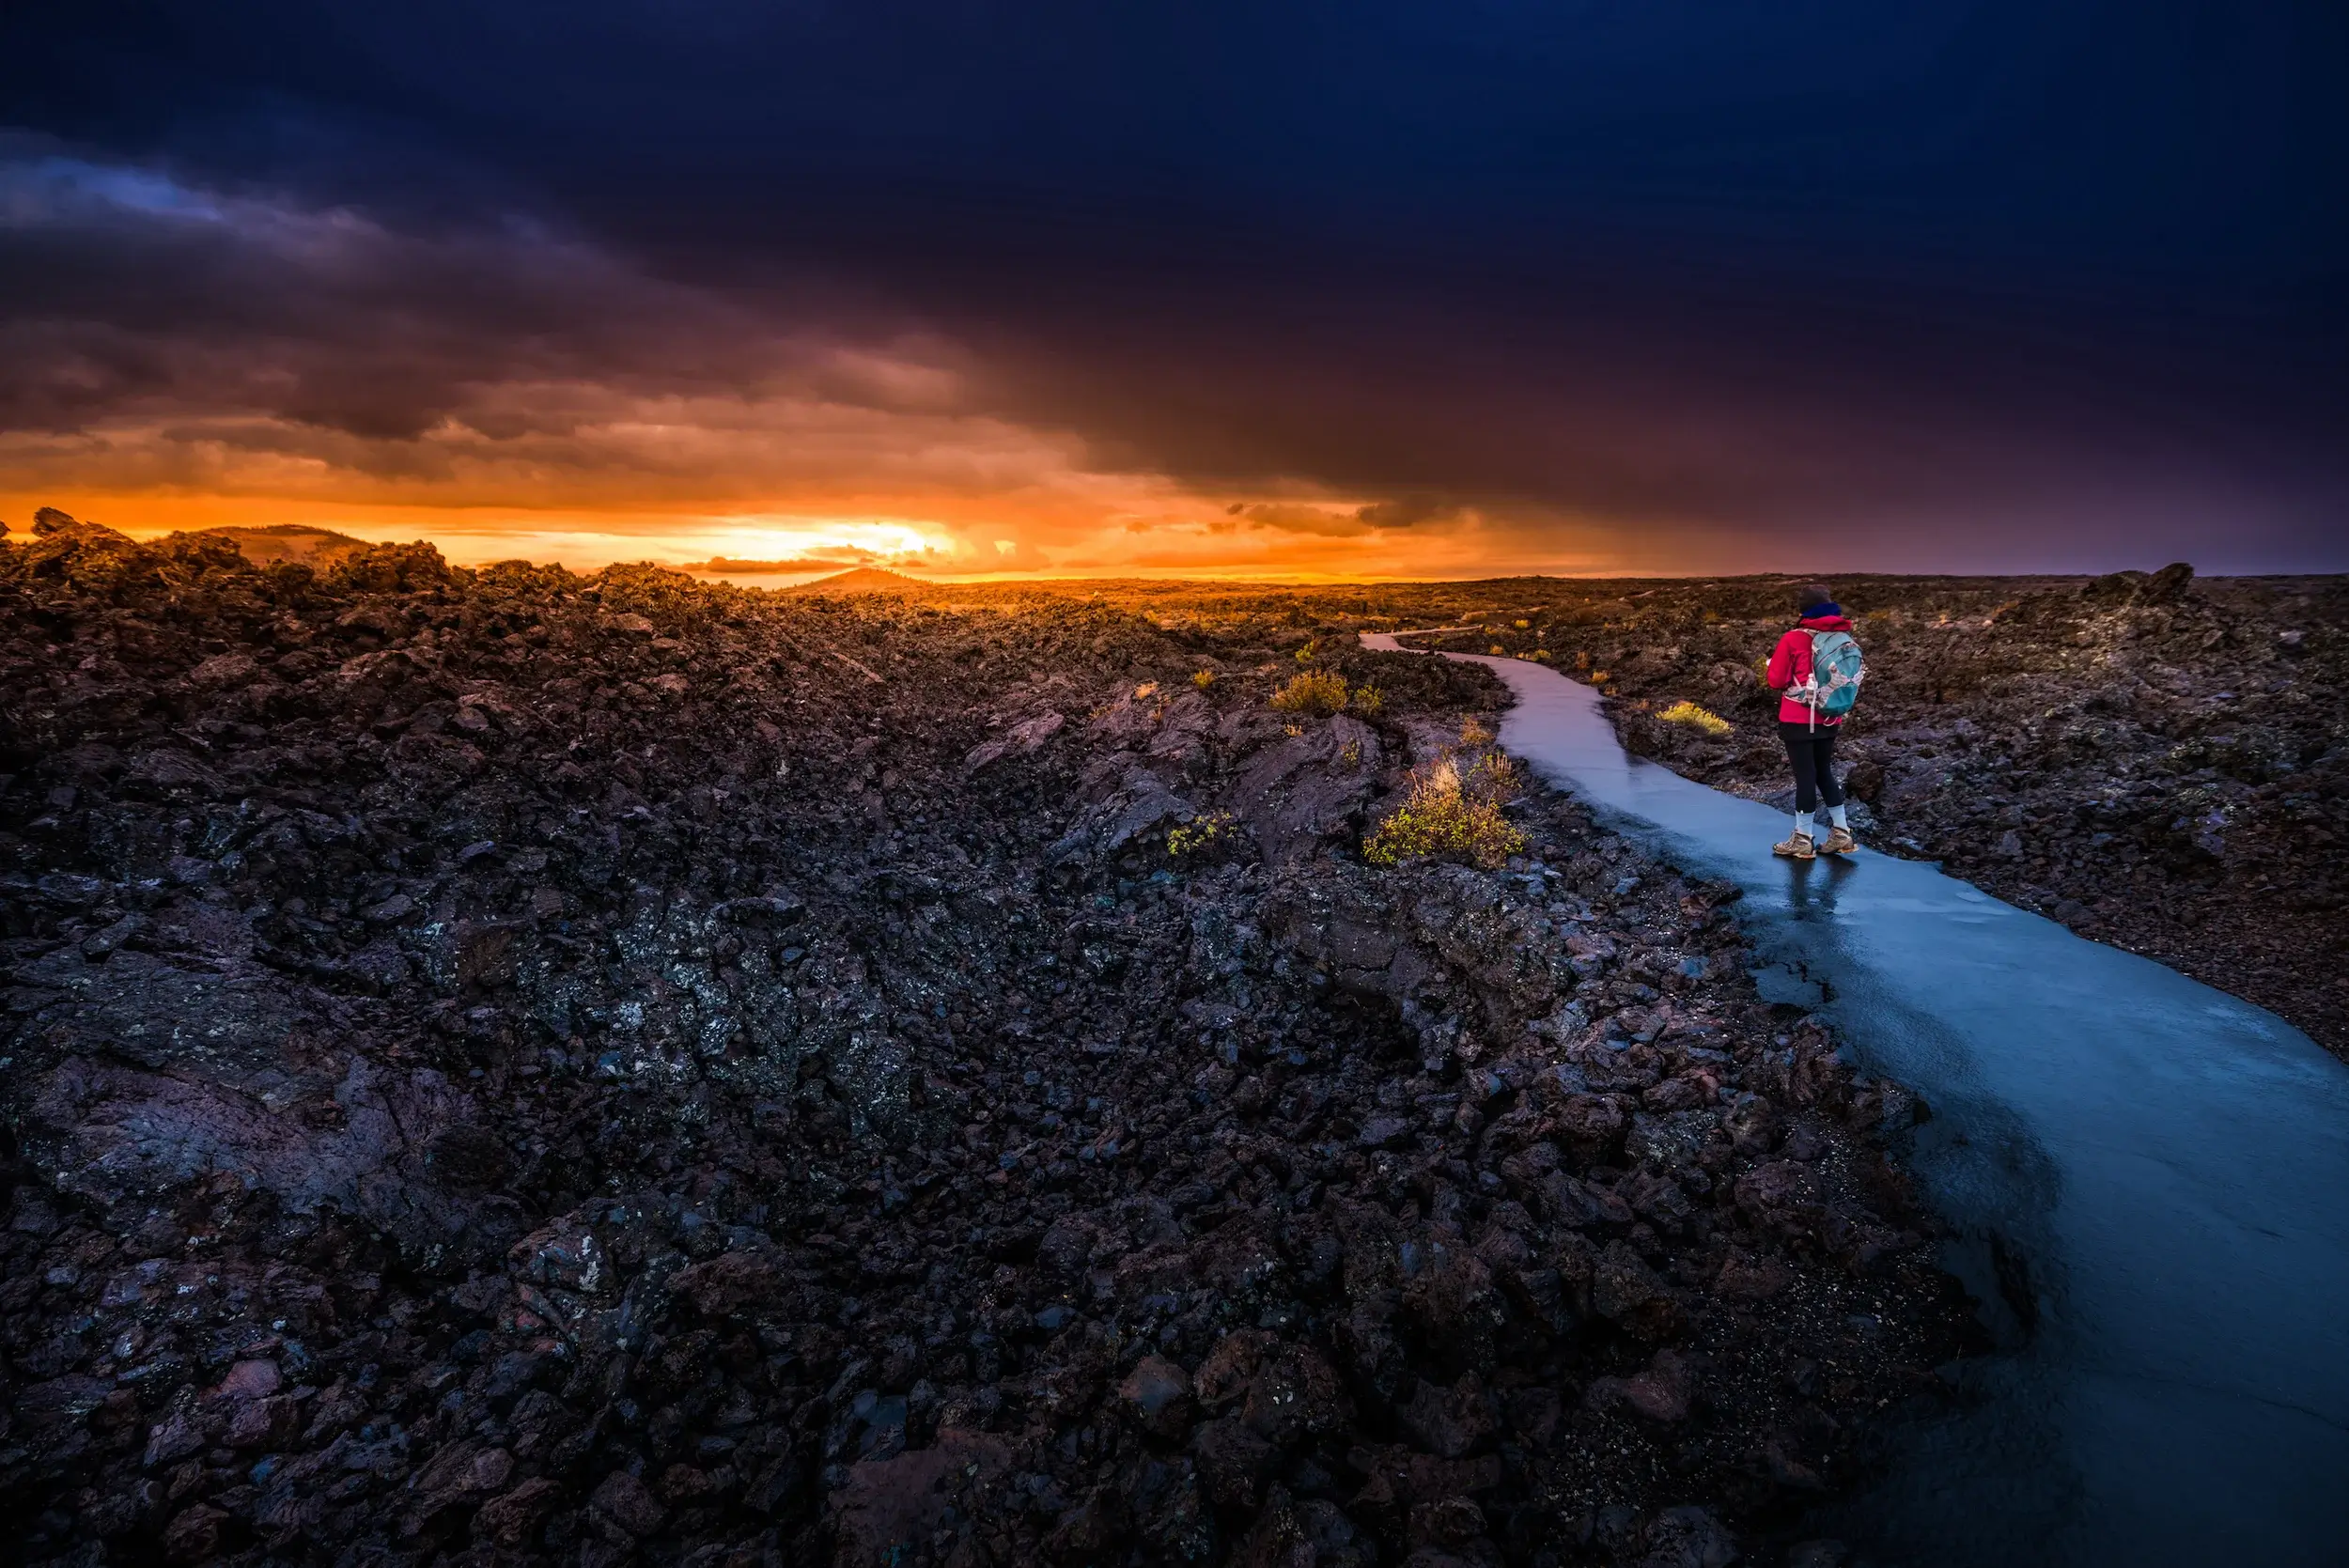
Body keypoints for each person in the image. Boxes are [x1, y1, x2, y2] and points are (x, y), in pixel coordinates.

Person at [1766, 584, 1857, 860]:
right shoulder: (1842, 636)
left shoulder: (1793, 639)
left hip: (1798, 718)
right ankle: (1842, 833)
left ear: (1802, 610)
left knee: (1805, 776)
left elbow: (1776, 680)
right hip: (1831, 715)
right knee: (1824, 772)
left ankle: (1802, 839)